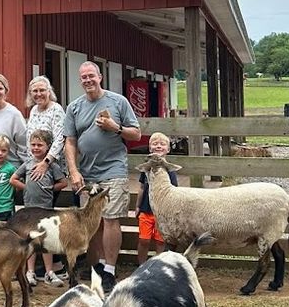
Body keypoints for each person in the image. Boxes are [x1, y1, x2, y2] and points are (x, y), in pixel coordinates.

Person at [63, 61, 141, 294]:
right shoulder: (74, 107)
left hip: (113, 170)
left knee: (110, 219)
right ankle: (95, 266)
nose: (88, 80)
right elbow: (70, 141)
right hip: (87, 173)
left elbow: (135, 133)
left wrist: (114, 127)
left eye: (91, 76)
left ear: (100, 77)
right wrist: (74, 171)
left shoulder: (118, 102)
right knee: (90, 222)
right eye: (83, 77)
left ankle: (109, 269)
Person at [10, 128, 67, 287]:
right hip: (29, 210)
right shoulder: (27, 164)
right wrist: (26, 187)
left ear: (48, 146)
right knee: (30, 241)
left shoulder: (52, 166)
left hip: (46, 210)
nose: (35, 148)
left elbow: (63, 182)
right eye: (33, 145)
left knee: (47, 240)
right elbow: (13, 179)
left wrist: (50, 188)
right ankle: (30, 272)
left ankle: (49, 272)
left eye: (39, 145)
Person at [134, 132, 174, 264]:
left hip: (162, 214)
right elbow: (141, 188)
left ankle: (159, 266)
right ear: (150, 148)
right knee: (143, 239)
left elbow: (174, 192)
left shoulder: (170, 171)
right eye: (155, 144)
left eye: (162, 144)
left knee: (160, 241)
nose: (158, 146)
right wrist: (138, 206)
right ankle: (141, 266)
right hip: (146, 210)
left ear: (168, 149)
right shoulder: (146, 169)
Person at [25, 75, 66, 181]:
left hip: (51, 167)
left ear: (49, 91)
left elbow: (60, 139)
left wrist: (46, 163)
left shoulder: (56, 109)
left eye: (42, 90)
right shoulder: (34, 110)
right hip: (35, 164)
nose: (38, 94)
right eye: (35, 91)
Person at [0, 73, 27, 165]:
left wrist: (22, 172)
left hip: (10, 169)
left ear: (6, 91)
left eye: (0, 88)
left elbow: (23, 146)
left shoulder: (14, 114)